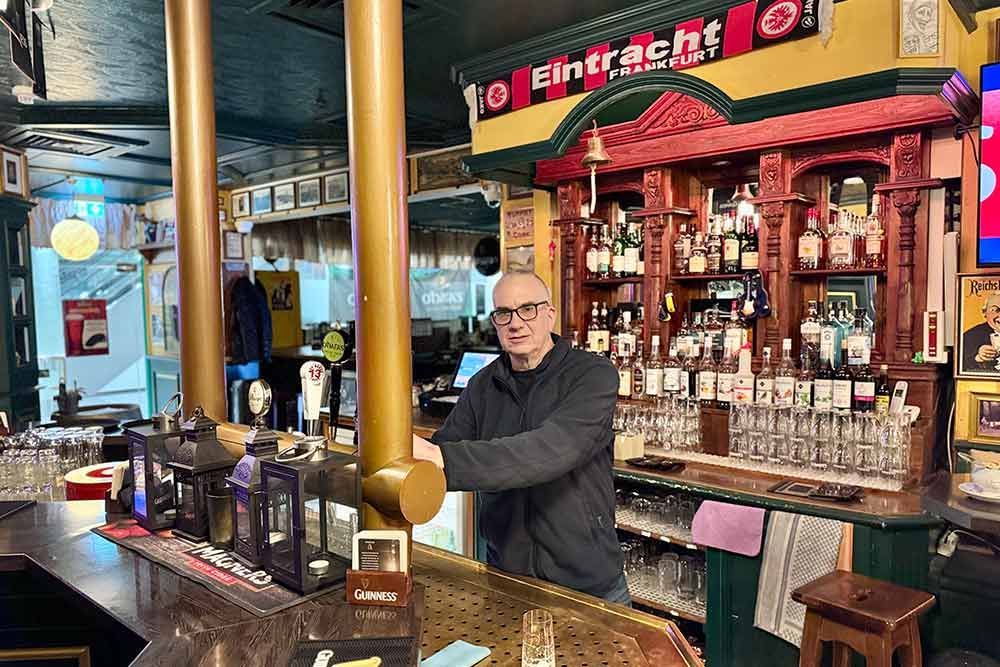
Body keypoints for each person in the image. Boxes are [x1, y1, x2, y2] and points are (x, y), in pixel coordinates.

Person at [412, 271, 628, 604]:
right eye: (504, 313)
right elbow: (444, 450)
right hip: (507, 581)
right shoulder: (483, 386)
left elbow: (554, 449)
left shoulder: (593, 375)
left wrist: (443, 458)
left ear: (549, 314)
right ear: (495, 322)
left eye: (528, 309)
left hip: (588, 585)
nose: (515, 323)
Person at [963, 292, 1000, 373]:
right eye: (995, 310)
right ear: (984, 313)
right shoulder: (970, 336)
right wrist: (978, 357)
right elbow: (963, 365)